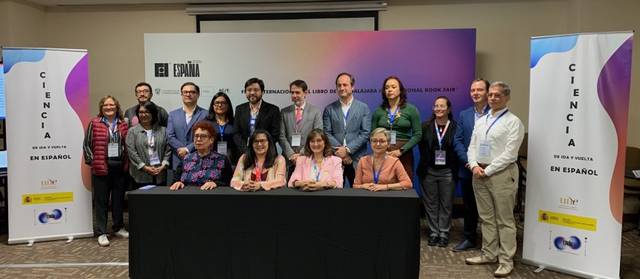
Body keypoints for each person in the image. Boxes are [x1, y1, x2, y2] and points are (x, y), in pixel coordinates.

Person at [464, 81, 525, 278]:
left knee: (504, 220)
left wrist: (488, 170)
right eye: (490, 95)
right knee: (486, 218)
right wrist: (473, 164)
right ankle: (489, 254)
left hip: (501, 175)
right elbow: (472, 145)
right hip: (478, 173)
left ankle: (506, 260)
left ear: (507, 98)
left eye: (497, 95)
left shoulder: (513, 122)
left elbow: (510, 154)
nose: (492, 98)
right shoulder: (481, 120)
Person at [83, 95, 129, 247]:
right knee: (101, 201)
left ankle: (118, 227)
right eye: (106, 106)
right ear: (101, 108)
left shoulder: (123, 124)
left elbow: (126, 145)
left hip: (119, 167)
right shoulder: (95, 123)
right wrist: (92, 162)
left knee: (118, 200)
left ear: (117, 107)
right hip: (101, 167)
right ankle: (102, 232)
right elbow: (87, 145)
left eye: (112, 105)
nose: (109, 108)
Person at [452, 78, 491, 252]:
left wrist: (489, 165)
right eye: (473, 90)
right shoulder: (465, 114)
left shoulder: (497, 114)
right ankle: (469, 238)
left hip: (491, 169)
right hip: (468, 169)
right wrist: (469, 163)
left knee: (491, 208)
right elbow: (458, 140)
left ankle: (491, 243)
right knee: (469, 207)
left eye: (479, 90)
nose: (475, 93)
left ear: (488, 92)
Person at [417, 96, 459, 248]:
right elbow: (421, 147)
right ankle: (434, 232)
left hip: (448, 171)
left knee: (446, 204)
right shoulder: (425, 126)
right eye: (436, 106)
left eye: (442, 106)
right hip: (429, 171)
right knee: (430, 203)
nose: (439, 108)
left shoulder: (455, 127)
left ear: (448, 109)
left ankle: (444, 232)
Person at [323, 72, 371, 187]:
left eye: (345, 85)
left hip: (357, 158)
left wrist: (348, 150)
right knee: (335, 195)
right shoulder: (329, 109)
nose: (341, 88)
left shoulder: (363, 108)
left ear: (352, 87)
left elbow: (365, 133)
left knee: (359, 195)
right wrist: (341, 153)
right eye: (339, 85)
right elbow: (327, 133)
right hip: (335, 157)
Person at [371, 76, 422, 179]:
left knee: (404, 183)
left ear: (400, 90)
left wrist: (401, 151)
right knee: (383, 182)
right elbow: (372, 135)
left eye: (393, 87)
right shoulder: (378, 111)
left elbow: (418, 134)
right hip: (382, 152)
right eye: (387, 87)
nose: (390, 90)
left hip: (404, 153)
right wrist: (381, 149)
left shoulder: (411, 109)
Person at [169, 121, 233, 190]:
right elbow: (175, 180)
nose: (198, 139)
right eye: (196, 136)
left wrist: (216, 183)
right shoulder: (186, 159)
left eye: (203, 136)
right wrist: (178, 182)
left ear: (211, 140)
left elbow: (229, 182)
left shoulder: (222, 159)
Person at [279, 80, 323, 178]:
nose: (294, 95)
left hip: (308, 157)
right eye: (292, 92)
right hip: (288, 159)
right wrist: (291, 155)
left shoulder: (315, 111)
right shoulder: (284, 112)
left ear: (305, 92)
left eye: (297, 92)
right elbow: (281, 136)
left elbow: (317, 135)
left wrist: (301, 154)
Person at [167, 82, 208, 178]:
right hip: (178, 158)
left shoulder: (205, 114)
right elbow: (169, 136)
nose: (188, 94)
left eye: (192, 92)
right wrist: (182, 149)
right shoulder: (173, 114)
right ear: (181, 94)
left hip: (199, 159)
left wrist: (187, 149)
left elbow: (206, 137)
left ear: (198, 94)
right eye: (185, 92)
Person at [125, 102, 172, 188]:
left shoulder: (163, 130)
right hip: (140, 176)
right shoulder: (132, 131)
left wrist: (163, 165)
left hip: (160, 174)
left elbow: (168, 150)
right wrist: (144, 167)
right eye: (141, 112)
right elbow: (131, 152)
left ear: (153, 113)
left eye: (147, 112)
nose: (143, 115)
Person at [233, 78, 281, 156]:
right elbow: (236, 133)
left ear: (262, 92)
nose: (252, 92)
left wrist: (260, 148)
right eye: (249, 90)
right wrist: (246, 150)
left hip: (267, 153)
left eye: (256, 90)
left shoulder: (273, 110)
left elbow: (275, 134)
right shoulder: (239, 109)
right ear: (245, 92)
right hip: (245, 154)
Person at [205, 91, 238, 163]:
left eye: (223, 103)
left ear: (228, 105)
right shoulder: (206, 123)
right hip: (210, 160)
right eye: (217, 103)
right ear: (213, 105)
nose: (220, 105)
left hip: (232, 161)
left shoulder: (235, 122)